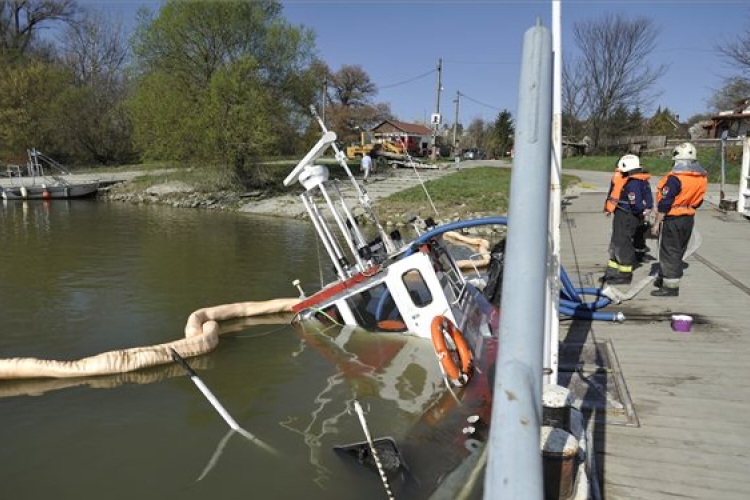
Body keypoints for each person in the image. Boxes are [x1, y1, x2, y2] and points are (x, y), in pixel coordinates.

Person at [650, 142, 708, 297]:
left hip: (673, 219)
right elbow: (700, 200)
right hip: (688, 218)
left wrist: (656, 224)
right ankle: (665, 277)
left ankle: (670, 286)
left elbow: (665, 203)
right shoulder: (700, 177)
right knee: (679, 249)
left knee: (669, 251)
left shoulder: (675, 179)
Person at [601, 154, 653, 285]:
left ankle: (625, 274)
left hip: (627, 215)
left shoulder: (633, 183)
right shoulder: (638, 180)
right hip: (622, 213)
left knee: (623, 243)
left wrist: (640, 211)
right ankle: (613, 271)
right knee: (616, 241)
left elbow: (635, 203)